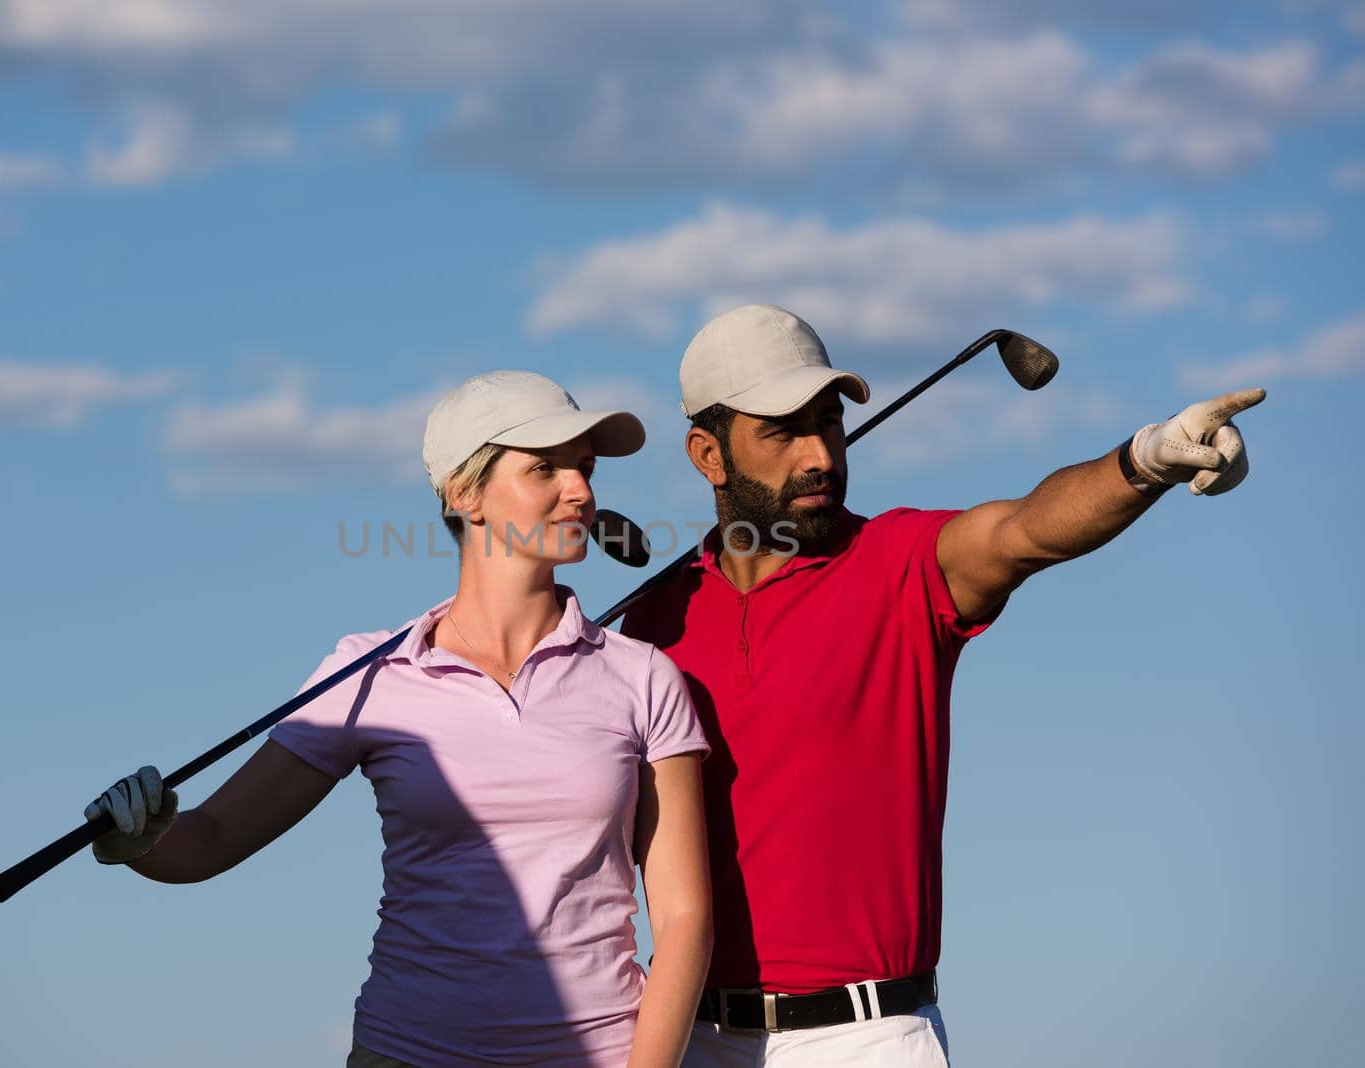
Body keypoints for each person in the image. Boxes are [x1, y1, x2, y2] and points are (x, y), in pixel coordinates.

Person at [617, 304, 1265, 1067]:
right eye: (785, 432)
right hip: (689, 1037)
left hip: (871, 1038)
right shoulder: (653, 625)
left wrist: (1144, 462)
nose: (821, 454)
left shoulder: (903, 563)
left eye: (829, 423)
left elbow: (1027, 529)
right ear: (708, 454)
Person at [86, 370, 714, 1067]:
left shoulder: (640, 675)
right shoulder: (370, 675)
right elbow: (210, 839)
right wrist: (138, 840)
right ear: (464, 492)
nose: (581, 491)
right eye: (544, 469)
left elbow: (685, 920)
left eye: (586, 469)